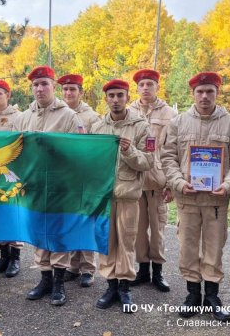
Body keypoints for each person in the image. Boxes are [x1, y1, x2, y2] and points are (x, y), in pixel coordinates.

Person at [161, 72, 230, 322]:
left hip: (216, 201)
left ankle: (212, 297)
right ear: (193, 94)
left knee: (214, 249)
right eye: (200, 91)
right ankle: (193, 295)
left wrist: (228, 185)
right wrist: (178, 182)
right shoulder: (178, 123)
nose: (204, 96)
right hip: (187, 199)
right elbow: (168, 158)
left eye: (209, 91)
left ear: (217, 92)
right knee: (186, 248)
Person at [13, 65, 83, 306]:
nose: (40, 88)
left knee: (58, 234)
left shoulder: (68, 117)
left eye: (44, 84)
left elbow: (77, 153)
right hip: (33, 185)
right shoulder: (23, 117)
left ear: (54, 86)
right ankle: (44, 279)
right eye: (36, 84)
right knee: (39, 233)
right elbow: (16, 151)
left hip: (59, 186)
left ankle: (59, 283)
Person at [90, 79, 153, 313]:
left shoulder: (141, 126)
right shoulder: (97, 128)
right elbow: (90, 163)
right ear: (105, 99)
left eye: (120, 95)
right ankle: (110, 287)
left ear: (127, 97)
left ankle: (125, 287)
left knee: (126, 241)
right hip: (104, 197)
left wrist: (129, 150)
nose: (115, 100)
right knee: (106, 242)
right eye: (111, 96)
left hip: (128, 195)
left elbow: (148, 162)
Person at [128, 69, 176, 292]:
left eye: (150, 84)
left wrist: (170, 184)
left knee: (157, 229)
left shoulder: (169, 114)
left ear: (157, 87)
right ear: (136, 88)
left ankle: (158, 272)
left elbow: (173, 150)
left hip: (158, 179)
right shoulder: (129, 112)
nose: (145, 88)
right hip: (135, 179)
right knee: (137, 229)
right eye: (142, 84)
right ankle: (142, 270)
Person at [57, 73, 101, 287]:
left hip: (84, 177)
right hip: (64, 179)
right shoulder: (59, 114)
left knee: (85, 222)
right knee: (70, 222)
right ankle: (73, 266)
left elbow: (95, 148)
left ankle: (88, 268)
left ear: (81, 92)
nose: (68, 93)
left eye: (72, 89)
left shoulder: (91, 117)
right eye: (65, 89)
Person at [0, 79, 23, 278]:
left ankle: (15, 257)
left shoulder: (18, 117)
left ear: (8, 95)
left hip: (11, 173)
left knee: (13, 214)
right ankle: (4, 256)